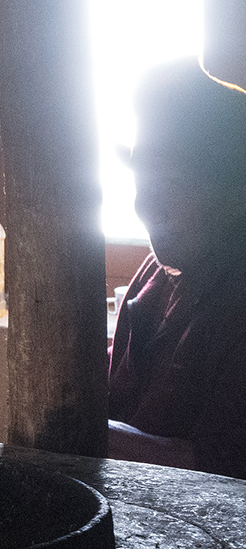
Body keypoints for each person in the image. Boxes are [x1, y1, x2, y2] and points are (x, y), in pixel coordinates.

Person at [107, 58, 246, 480]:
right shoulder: (153, 276)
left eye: (175, 185)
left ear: (233, 195)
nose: (145, 204)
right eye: (143, 181)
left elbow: (227, 473)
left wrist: (87, 436)